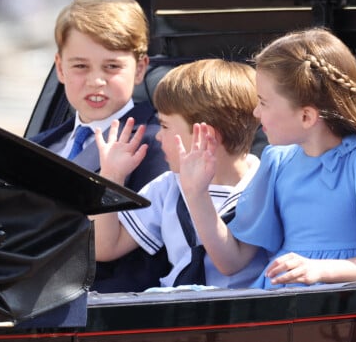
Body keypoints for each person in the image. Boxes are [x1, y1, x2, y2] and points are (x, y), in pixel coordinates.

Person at [177, 28, 356, 289]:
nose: (255, 112)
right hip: (276, 298)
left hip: (333, 304)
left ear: (306, 116)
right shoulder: (278, 161)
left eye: (263, 102)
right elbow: (232, 262)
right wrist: (196, 195)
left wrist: (318, 269)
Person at [29, 0, 170, 292]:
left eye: (112, 66)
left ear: (140, 68)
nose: (96, 81)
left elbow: (143, 256)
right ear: (60, 68)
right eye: (80, 66)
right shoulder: (40, 146)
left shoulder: (156, 141)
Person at [91, 58, 268, 288]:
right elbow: (104, 247)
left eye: (164, 126)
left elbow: (228, 265)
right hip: (174, 312)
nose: (157, 136)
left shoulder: (262, 186)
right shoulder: (168, 187)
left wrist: (196, 193)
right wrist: (111, 177)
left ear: (205, 137)